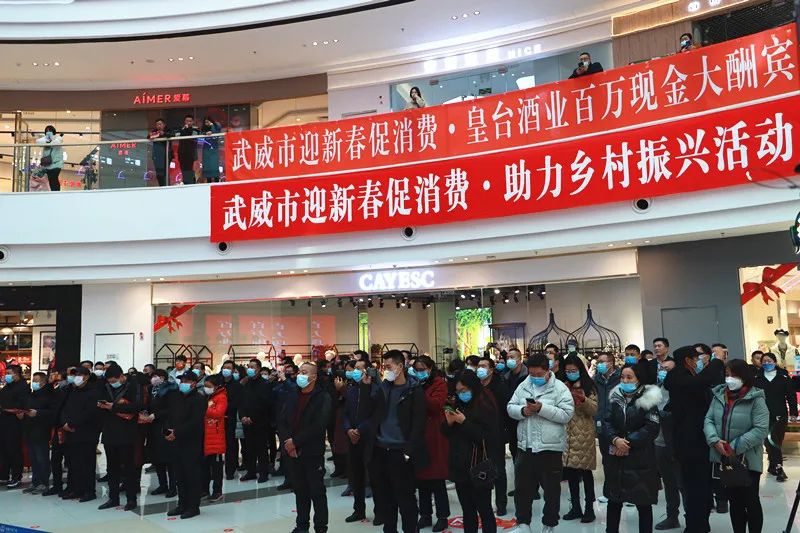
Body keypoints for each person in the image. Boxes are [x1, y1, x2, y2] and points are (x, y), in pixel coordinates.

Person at [507, 353, 575, 533]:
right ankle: (523, 524)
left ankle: (549, 524)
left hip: (550, 448)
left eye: (539, 374)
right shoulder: (523, 385)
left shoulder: (559, 388)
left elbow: (566, 414)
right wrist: (522, 411)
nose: (535, 377)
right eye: (532, 374)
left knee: (551, 491)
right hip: (526, 446)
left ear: (548, 370)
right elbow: (510, 407)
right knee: (522, 489)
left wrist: (541, 408)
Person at [703, 359, 769, 533]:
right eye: (727, 375)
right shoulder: (719, 395)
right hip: (724, 458)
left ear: (744, 376)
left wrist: (733, 446)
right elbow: (709, 419)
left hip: (747, 459)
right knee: (735, 501)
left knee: (751, 501)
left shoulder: (755, 398)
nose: (729, 379)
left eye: (734, 375)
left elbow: (761, 429)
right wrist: (714, 440)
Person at [664, 346, 724, 533]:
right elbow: (704, 379)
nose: (698, 362)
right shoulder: (678, 377)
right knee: (695, 487)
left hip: (698, 441)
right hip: (690, 444)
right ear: (688, 361)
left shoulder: (687, 377)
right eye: (696, 359)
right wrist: (717, 360)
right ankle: (695, 526)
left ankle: (701, 524)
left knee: (702, 486)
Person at [368, 350, 428, 533]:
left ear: (400, 366)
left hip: (401, 451)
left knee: (406, 498)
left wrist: (409, 450)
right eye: (384, 367)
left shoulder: (414, 390)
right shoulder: (383, 388)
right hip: (381, 448)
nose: (386, 370)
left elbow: (419, 423)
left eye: (389, 366)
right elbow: (370, 411)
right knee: (386, 498)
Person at [603, 364, 661, 533]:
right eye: (622, 377)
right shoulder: (615, 397)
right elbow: (607, 422)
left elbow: (651, 428)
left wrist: (627, 442)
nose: (625, 381)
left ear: (638, 379)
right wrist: (615, 440)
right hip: (617, 457)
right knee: (614, 500)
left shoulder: (648, 399)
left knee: (643, 502)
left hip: (640, 458)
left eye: (629, 377)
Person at [278, 362, 332, 533]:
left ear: (313, 377)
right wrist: (288, 442)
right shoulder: (292, 395)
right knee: (300, 490)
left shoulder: (322, 397)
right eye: (299, 372)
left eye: (304, 372)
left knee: (317, 491)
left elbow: (319, 425)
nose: (300, 375)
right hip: (292, 451)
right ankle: (302, 525)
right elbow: (282, 420)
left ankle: (321, 527)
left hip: (312, 451)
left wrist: (296, 442)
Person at [441, 370, 498, 533]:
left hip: (479, 467)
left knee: (484, 510)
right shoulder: (458, 404)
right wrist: (449, 423)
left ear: (473, 387)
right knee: (467, 510)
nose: (461, 394)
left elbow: (486, 437)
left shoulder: (485, 404)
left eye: (464, 390)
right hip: (460, 466)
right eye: (458, 391)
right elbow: (446, 433)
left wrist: (464, 422)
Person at [413, 356, 450, 532]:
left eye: (422, 370)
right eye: (417, 370)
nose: (419, 373)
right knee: (421, 480)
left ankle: (442, 516)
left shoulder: (439, 383)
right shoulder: (414, 383)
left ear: (429, 368)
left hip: (435, 435)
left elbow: (436, 405)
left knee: (437, 479)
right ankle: (425, 514)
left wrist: (419, 392)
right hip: (419, 435)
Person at [97, 365, 140, 511]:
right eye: (109, 381)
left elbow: (137, 407)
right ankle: (113, 498)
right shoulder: (106, 387)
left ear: (121, 376)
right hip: (109, 432)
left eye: (114, 381)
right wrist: (102, 406)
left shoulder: (133, 387)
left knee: (129, 468)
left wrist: (113, 407)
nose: (112, 383)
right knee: (112, 468)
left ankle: (131, 499)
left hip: (127, 432)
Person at [560, 355, 598, 523]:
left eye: (574, 370)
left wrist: (583, 399)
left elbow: (594, 409)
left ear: (580, 370)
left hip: (583, 433)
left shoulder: (589, 385)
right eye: (567, 371)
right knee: (570, 473)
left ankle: (589, 508)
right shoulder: (561, 385)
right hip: (566, 433)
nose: (570, 373)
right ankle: (575, 507)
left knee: (585, 472)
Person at [165, 372, 206, 519]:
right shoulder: (175, 397)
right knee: (179, 475)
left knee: (191, 475)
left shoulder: (199, 399)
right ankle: (182, 504)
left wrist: (177, 432)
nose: (183, 383)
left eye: (186, 381)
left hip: (191, 442)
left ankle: (193, 507)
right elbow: (170, 415)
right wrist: (168, 431)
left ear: (194, 383)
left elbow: (195, 422)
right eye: (181, 380)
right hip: (176, 441)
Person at [59, 366, 101, 502]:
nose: (75, 377)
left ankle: (89, 491)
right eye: (74, 375)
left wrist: (72, 424)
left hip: (86, 433)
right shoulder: (73, 391)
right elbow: (65, 408)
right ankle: (76, 489)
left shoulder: (93, 392)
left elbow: (89, 413)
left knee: (87, 463)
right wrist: (64, 423)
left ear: (86, 376)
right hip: (71, 433)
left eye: (78, 375)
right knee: (73, 463)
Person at [343, 359, 377, 524]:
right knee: (356, 475)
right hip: (353, 437)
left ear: (367, 370)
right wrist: (348, 429)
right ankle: (358, 510)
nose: (354, 371)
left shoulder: (375, 389)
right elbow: (346, 413)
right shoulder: (351, 389)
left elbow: (376, 415)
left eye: (358, 368)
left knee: (375, 475)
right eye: (354, 368)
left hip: (370, 437)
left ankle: (380, 511)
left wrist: (360, 429)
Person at [754, 352, 796, 482]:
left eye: (769, 361)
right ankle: (779, 468)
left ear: (775, 362)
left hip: (780, 414)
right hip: (762, 414)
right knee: (770, 440)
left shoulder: (783, 377)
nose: (767, 363)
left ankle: (773, 465)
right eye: (764, 361)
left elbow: (791, 396)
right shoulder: (757, 378)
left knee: (776, 440)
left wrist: (793, 413)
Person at [477, 356, 510, 516]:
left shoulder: (500, 386)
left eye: (484, 366)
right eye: (479, 366)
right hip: (478, 433)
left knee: (498, 470)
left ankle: (501, 503)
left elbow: (506, 410)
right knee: (481, 469)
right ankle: (483, 503)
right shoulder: (475, 386)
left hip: (496, 433)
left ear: (491, 370)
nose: (480, 369)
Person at [145, 369, 178, 498]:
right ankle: (162, 484)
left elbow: (172, 408)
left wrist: (156, 414)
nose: (153, 378)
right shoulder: (151, 390)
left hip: (166, 425)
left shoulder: (171, 390)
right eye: (152, 376)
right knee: (157, 458)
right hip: (153, 426)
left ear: (163, 377)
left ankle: (173, 487)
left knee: (169, 458)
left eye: (156, 376)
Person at [239, 358, 272, 482]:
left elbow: (265, 405)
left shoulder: (265, 384)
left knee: (261, 448)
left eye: (252, 367)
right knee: (249, 448)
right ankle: (251, 471)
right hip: (246, 422)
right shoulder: (246, 384)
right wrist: (243, 416)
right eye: (249, 367)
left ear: (258, 369)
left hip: (260, 422)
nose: (250, 369)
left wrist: (252, 418)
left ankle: (263, 473)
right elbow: (241, 402)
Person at [22, 371, 53, 494]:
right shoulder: (32, 395)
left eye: (36, 381)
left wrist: (38, 413)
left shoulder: (49, 395)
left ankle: (44, 483)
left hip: (41, 431)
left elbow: (52, 412)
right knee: (33, 458)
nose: (33, 383)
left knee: (42, 458)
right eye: (33, 380)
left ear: (43, 382)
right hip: (30, 430)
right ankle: (35, 482)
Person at [0, 364, 29, 489]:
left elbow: (22, 404)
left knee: (14, 450)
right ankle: (4, 475)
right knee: (4, 449)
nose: (6, 375)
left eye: (9, 373)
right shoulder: (7, 386)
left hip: (15, 422)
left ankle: (16, 476)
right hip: (3, 420)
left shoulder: (23, 387)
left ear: (17, 374)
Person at [202, 374, 227, 502]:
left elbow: (218, 413)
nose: (206, 388)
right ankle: (204, 490)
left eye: (209, 386)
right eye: (205, 385)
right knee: (204, 466)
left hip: (215, 436)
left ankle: (217, 491)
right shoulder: (208, 397)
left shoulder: (221, 397)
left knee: (216, 467)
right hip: (205, 435)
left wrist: (203, 408)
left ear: (216, 386)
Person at [593, 353, 621, 458]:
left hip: (617, 425)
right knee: (606, 457)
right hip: (600, 423)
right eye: (598, 362)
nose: (598, 364)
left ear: (611, 363)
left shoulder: (620, 378)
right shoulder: (595, 380)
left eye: (601, 362)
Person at [220, 360, 243, 480]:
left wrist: (222, 407)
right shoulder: (218, 382)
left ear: (233, 370)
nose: (226, 370)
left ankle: (230, 470)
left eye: (229, 368)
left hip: (230, 418)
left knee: (230, 445)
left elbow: (236, 402)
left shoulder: (237, 386)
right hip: (216, 419)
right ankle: (216, 470)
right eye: (224, 367)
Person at [35, 125, 64, 191]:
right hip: (47, 164)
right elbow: (38, 142)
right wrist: (47, 139)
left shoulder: (58, 138)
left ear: (53, 131)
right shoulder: (44, 139)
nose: (48, 133)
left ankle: (55, 193)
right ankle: (53, 193)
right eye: (47, 131)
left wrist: (50, 139)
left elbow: (56, 143)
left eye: (50, 131)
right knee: (51, 180)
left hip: (56, 164)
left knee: (54, 178)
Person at [177, 115, 200, 185]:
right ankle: (186, 182)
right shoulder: (181, 129)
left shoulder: (195, 130)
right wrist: (184, 130)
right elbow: (177, 135)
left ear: (193, 122)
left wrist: (186, 129)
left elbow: (192, 137)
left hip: (190, 153)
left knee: (189, 169)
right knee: (183, 169)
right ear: (184, 121)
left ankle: (190, 183)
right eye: (187, 121)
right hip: (182, 153)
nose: (189, 122)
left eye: (190, 121)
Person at [149, 118, 171, 186]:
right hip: (157, 156)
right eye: (157, 124)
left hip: (166, 156)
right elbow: (148, 137)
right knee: (159, 173)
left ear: (164, 125)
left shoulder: (168, 130)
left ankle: (166, 186)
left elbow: (171, 135)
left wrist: (163, 134)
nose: (158, 126)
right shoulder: (154, 131)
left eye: (160, 124)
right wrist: (153, 134)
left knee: (165, 173)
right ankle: (161, 186)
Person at [201, 117, 223, 183]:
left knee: (215, 165)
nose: (207, 123)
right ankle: (208, 181)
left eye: (208, 122)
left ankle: (217, 181)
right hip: (206, 150)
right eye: (205, 122)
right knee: (207, 166)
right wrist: (205, 133)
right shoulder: (203, 129)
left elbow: (216, 133)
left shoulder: (216, 127)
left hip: (214, 150)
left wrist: (212, 126)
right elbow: (200, 134)